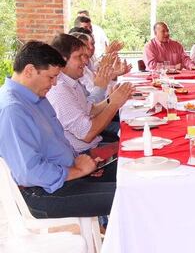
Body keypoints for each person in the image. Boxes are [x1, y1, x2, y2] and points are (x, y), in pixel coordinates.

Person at [0, 41, 116, 219]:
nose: (54, 83)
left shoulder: (36, 97)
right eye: (51, 77)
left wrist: (80, 163)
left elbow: (57, 143)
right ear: (29, 71)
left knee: (126, 175)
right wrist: (78, 171)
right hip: (41, 192)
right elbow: (30, 173)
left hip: (65, 174)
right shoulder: (13, 109)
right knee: (126, 196)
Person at [48, 34, 133, 153]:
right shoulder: (59, 90)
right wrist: (114, 104)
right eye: (79, 56)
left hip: (94, 145)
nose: (85, 61)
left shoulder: (71, 81)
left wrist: (111, 99)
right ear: (62, 59)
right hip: (83, 154)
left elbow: (90, 109)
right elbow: (88, 134)